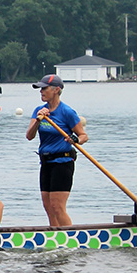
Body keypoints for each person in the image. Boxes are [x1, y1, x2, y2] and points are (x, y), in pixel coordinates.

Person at [26, 74, 86, 226]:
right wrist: (38, 120)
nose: (41, 92)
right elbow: (29, 136)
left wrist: (76, 140)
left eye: (44, 88)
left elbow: (84, 135)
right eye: (40, 89)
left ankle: (71, 239)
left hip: (63, 162)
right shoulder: (39, 111)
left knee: (57, 207)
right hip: (46, 163)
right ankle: (56, 239)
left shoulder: (67, 112)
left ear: (56, 90)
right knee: (48, 207)